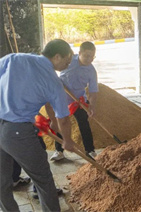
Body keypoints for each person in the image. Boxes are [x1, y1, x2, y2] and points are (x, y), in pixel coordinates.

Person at [0, 39, 75, 211]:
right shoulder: (53, 81)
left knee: (2, 182)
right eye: (67, 60)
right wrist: (68, 141)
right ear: (57, 56)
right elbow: (63, 117)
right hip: (18, 133)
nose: (68, 64)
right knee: (43, 179)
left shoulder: (14, 58)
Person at [49, 41, 99, 161]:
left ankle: (90, 150)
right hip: (62, 97)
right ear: (79, 52)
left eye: (92, 57)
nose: (89, 59)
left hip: (79, 101)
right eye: (87, 56)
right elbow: (53, 68)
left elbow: (93, 91)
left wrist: (91, 105)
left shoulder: (91, 71)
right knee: (61, 121)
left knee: (84, 123)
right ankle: (59, 151)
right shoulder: (69, 61)